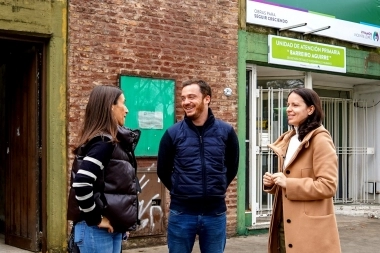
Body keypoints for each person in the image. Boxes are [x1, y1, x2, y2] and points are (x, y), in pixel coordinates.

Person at [157, 79, 239, 253]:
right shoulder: (172, 133)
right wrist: (181, 189)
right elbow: (163, 170)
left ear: (207, 99)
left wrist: (217, 186)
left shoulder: (226, 132)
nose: (186, 102)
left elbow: (232, 167)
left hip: (215, 214)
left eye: (192, 97)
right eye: (183, 98)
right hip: (182, 214)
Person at [263, 88, 341, 253]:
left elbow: (328, 185)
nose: (289, 109)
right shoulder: (290, 139)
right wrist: (274, 183)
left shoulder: (320, 139)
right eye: (288, 104)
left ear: (311, 109)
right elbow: (291, 181)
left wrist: (288, 183)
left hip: (309, 231)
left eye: (295, 105)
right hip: (284, 224)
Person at [67, 85, 141, 253]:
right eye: (123, 103)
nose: (127, 110)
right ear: (110, 106)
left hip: (110, 229)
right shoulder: (103, 142)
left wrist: (123, 220)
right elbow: (82, 183)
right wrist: (96, 219)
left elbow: (114, 186)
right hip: (95, 231)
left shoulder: (112, 142)